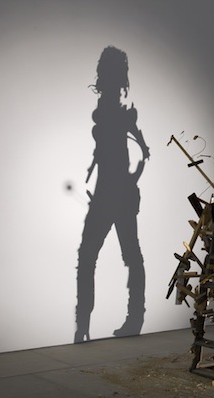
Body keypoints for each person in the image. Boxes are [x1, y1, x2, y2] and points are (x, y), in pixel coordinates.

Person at [75, 46, 150, 343]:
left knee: (105, 255)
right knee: (126, 254)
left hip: (113, 194)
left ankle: (89, 324)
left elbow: (141, 152)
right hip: (112, 193)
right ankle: (127, 319)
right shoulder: (116, 111)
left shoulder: (117, 113)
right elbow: (139, 152)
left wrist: (130, 178)